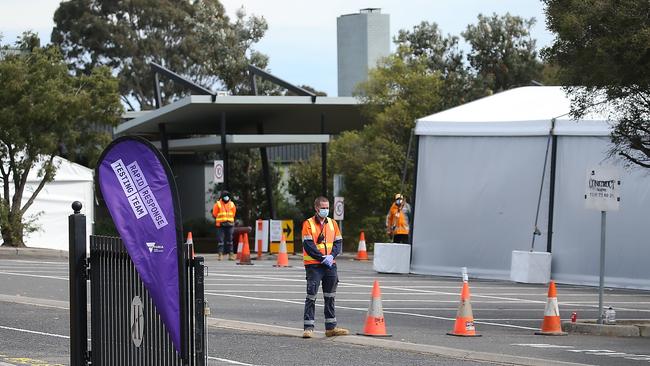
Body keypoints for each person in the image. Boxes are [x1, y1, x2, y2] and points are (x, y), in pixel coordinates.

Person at [301, 196, 349, 338]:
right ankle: (308, 328)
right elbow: (308, 245)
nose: (325, 210)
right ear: (316, 208)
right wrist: (322, 258)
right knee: (311, 296)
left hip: (330, 264)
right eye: (323, 208)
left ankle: (331, 328)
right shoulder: (308, 224)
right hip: (314, 265)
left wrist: (331, 256)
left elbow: (338, 243)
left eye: (327, 207)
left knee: (330, 296)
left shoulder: (333, 223)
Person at [212, 190, 236, 261]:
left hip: (230, 224)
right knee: (220, 241)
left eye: (227, 196)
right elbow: (215, 214)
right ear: (222, 197)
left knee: (230, 240)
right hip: (220, 225)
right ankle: (220, 254)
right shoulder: (218, 204)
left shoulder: (231, 204)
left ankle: (231, 255)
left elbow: (233, 213)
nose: (226, 197)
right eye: (225, 196)